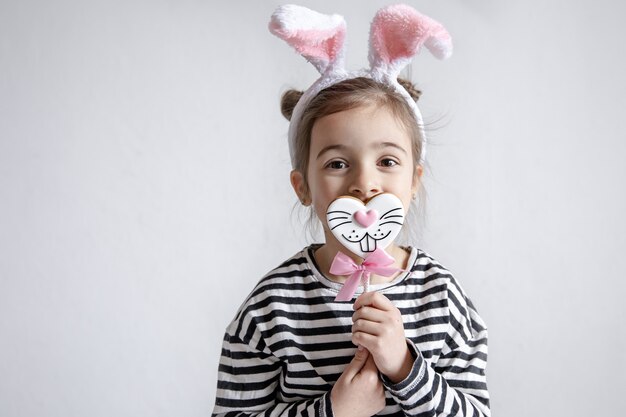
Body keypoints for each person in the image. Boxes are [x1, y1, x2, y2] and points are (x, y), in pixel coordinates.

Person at [212, 4, 489, 416]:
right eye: (337, 164)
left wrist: (405, 368)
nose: (365, 183)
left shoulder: (442, 299)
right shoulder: (271, 308)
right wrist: (334, 411)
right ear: (303, 187)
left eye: (387, 161)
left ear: (413, 182)